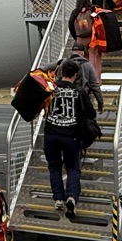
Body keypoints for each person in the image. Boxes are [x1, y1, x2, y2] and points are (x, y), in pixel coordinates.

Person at [44, 59, 91, 217]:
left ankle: (58, 198)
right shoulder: (79, 91)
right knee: (72, 168)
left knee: (54, 167)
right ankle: (71, 196)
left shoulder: (51, 88)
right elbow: (90, 113)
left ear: (60, 72)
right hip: (70, 135)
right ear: (75, 75)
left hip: (51, 134)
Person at [69, 0, 106, 79]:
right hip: (92, 39)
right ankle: (95, 81)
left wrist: (76, 37)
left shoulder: (75, 12)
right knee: (94, 60)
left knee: (81, 61)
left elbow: (70, 25)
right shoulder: (93, 9)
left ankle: (83, 81)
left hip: (80, 40)